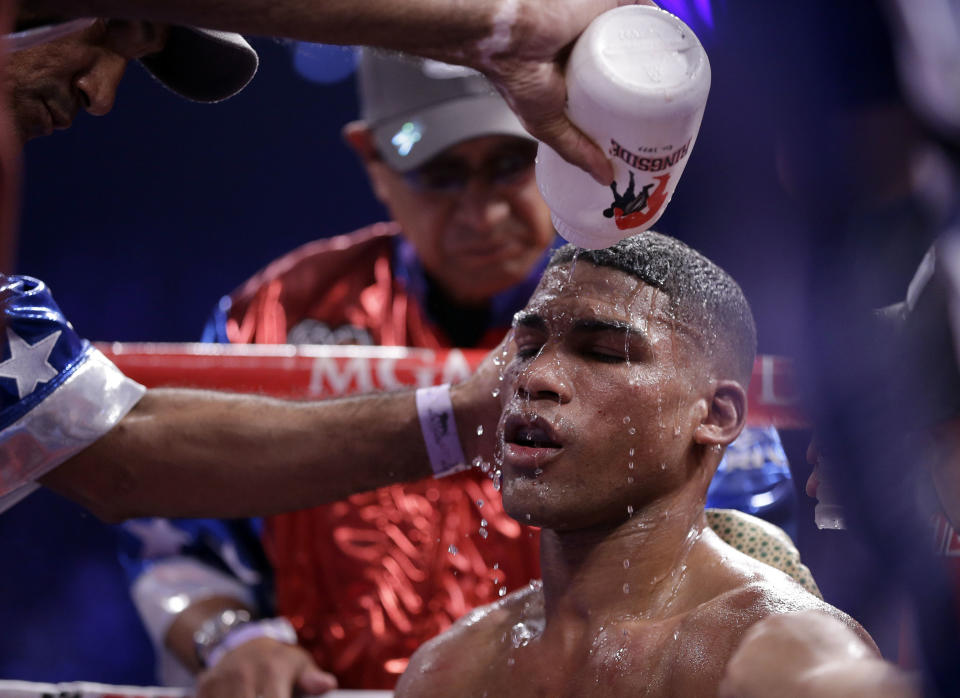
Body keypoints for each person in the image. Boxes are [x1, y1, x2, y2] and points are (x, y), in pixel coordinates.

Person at [134, 49, 553, 693]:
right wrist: (233, 638)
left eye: (509, 165)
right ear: (372, 161)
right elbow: (173, 534)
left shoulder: (649, 320)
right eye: (440, 175)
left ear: (561, 150)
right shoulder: (272, 317)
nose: (483, 215)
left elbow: (745, 548)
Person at [394, 231, 875, 697]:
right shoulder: (450, 669)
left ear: (715, 414)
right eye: (526, 348)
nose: (535, 377)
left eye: (603, 353)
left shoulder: (782, 658)